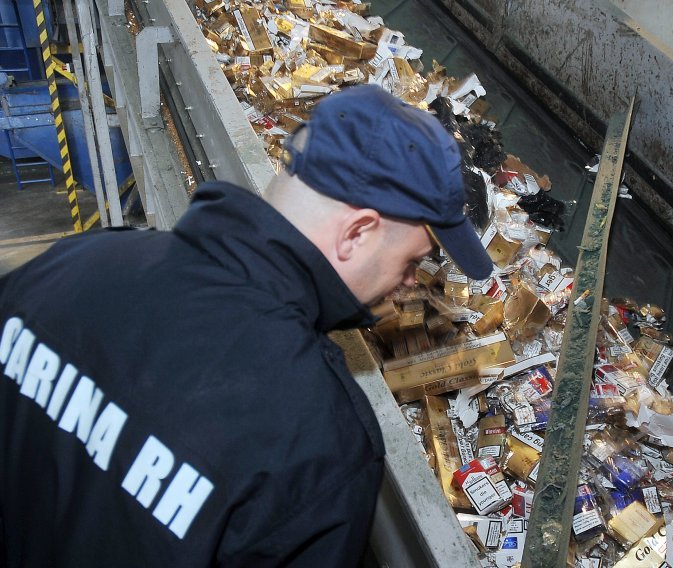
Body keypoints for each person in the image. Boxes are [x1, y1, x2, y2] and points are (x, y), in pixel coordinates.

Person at [0, 85, 492, 567]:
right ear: (358, 232)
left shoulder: (71, 262)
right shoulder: (322, 441)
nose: (408, 283)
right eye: (413, 260)